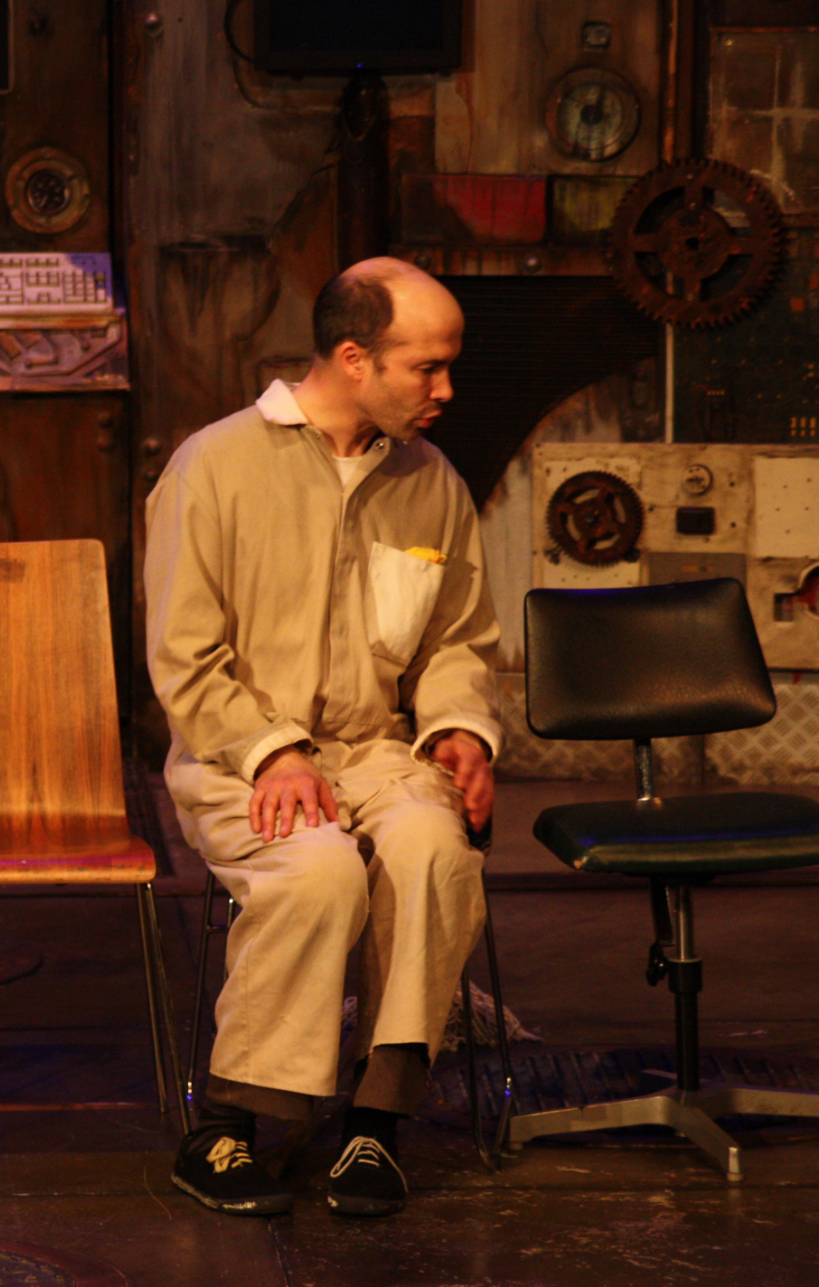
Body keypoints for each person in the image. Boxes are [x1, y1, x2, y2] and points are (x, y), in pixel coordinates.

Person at [144, 256, 502, 1218]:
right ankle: (231, 1123)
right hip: (239, 754)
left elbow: (458, 641)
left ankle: (375, 1126)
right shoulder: (213, 468)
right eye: (425, 368)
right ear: (354, 359)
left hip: (377, 753)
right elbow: (182, 655)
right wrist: (273, 748)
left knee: (432, 849)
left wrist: (460, 729)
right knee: (319, 870)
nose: (445, 389)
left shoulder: (432, 482)